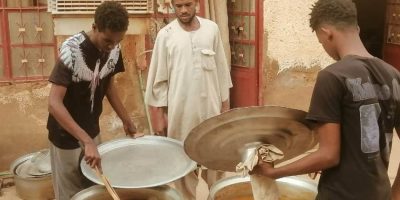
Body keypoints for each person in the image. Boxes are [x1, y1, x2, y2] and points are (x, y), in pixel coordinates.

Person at [250, 0, 400, 199]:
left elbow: (329, 155)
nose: (325, 49)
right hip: (378, 193)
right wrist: (395, 194)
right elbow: (351, 142)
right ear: (357, 27)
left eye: (321, 42)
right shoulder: (393, 76)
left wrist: (273, 173)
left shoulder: (333, 76)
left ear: (326, 32)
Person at [47, 2, 137, 199]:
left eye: (117, 41)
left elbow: (108, 86)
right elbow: (54, 103)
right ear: (95, 26)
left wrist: (126, 119)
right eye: (107, 41)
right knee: (70, 194)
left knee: (94, 186)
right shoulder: (71, 50)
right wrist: (86, 141)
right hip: (65, 136)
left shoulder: (114, 47)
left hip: (91, 131)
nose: (112, 46)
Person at [145, 0, 232, 199]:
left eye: (188, 4)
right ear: (172, 6)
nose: (183, 10)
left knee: (216, 167)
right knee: (183, 169)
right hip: (180, 116)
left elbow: (221, 71)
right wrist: (159, 117)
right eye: (178, 6)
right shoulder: (165, 35)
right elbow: (158, 81)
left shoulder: (212, 30)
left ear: (197, 4)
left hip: (211, 115)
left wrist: (225, 109)